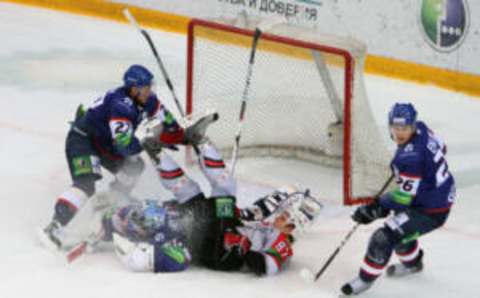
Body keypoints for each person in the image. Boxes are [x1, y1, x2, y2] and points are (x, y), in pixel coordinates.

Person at [39, 64, 202, 250]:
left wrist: (184, 136)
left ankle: (113, 198)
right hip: (83, 140)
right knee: (85, 184)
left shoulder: (149, 100)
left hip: (105, 144)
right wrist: (148, 139)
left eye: (150, 86)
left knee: (134, 166)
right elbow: (124, 147)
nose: (150, 91)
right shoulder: (121, 106)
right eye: (145, 88)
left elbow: (169, 123)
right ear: (133, 89)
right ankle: (54, 226)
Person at [154, 142, 323, 276]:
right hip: (217, 234)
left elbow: (264, 266)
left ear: (293, 227)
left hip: (219, 252)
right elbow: (244, 225)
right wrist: (237, 218)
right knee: (191, 193)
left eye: (285, 216)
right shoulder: (271, 228)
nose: (279, 216)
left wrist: (243, 247)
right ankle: (157, 153)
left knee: (225, 187)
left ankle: (200, 143)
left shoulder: (283, 244)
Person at [341, 103, 456, 295]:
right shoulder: (423, 127)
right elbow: (442, 148)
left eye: (405, 128)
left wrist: (376, 207)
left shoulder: (409, 159)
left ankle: (364, 280)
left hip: (430, 209)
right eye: (396, 128)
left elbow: (402, 198)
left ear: (412, 125)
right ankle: (413, 265)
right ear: (390, 126)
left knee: (384, 237)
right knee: (401, 230)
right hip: (435, 193)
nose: (400, 133)